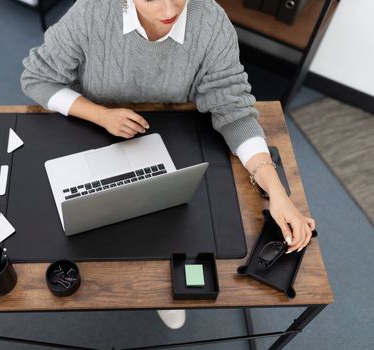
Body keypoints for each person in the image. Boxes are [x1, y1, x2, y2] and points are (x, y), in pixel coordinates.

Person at [21, 0, 316, 329]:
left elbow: (234, 111)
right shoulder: (92, 10)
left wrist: (277, 191)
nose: (168, 9)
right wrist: (101, 115)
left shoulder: (212, 23)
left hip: (170, 136)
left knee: (173, 221)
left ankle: (158, 288)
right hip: (91, 128)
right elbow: (37, 79)